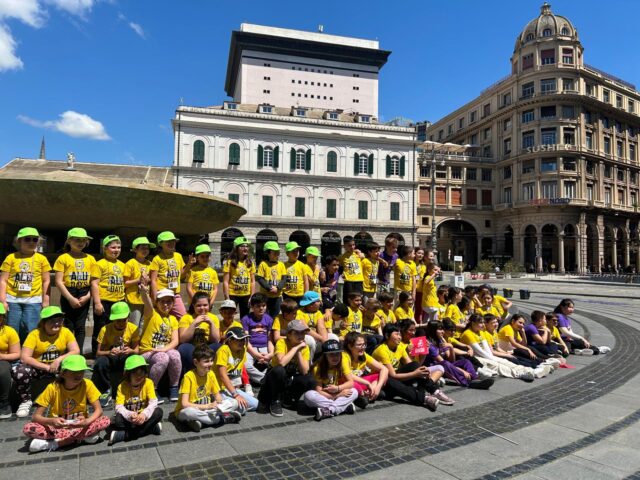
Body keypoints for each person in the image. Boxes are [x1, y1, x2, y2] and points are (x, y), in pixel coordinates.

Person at [22, 355, 110, 453]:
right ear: (63, 373)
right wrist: (52, 421)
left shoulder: (87, 384)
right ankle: (80, 438)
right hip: (57, 428)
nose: (79, 374)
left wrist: (86, 421)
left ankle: (55, 443)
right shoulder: (52, 388)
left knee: (105, 421)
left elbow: (99, 410)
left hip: (80, 426)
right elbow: (35, 417)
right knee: (28, 428)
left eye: (81, 371)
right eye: (74, 372)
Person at [13, 306, 80, 418]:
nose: (57, 323)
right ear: (43, 322)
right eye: (52, 321)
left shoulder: (66, 332)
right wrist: (46, 367)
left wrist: (58, 360)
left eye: (59, 320)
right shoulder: (34, 334)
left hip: (58, 367)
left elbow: (76, 351)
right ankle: (26, 401)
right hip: (38, 369)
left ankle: (72, 396)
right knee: (19, 370)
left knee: (77, 363)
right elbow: (24, 357)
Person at [372, 324, 448, 410]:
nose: (399, 337)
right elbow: (393, 375)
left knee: (416, 365)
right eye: (396, 334)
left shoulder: (399, 346)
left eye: (400, 334)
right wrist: (415, 373)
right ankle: (424, 398)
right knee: (392, 381)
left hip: (397, 377)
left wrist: (422, 367)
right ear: (386, 335)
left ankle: (435, 391)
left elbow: (412, 364)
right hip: (383, 382)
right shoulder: (381, 350)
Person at [0, 227, 51, 342]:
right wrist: (3, 301)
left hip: (33, 301)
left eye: (35, 239)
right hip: (12, 300)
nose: (32, 242)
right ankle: (14, 356)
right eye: (27, 239)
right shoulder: (11, 257)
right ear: (19, 241)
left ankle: (27, 355)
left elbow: (46, 281)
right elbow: (3, 280)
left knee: (30, 329)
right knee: (13, 330)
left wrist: (46, 300)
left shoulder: (42, 259)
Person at [174, 345, 241, 432]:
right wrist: (207, 406)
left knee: (234, 402)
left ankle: (201, 422)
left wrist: (218, 402)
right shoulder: (188, 377)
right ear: (195, 362)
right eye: (206, 361)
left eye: (211, 361)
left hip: (208, 410)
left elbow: (217, 395)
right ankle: (224, 418)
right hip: (188, 410)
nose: (210, 364)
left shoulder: (211, 374)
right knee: (189, 412)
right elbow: (185, 404)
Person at [257, 320, 316, 417]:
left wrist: (298, 352)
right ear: (288, 334)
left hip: (289, 380)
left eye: (303, 333)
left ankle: (289, 400)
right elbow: (282, 362)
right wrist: (295, 348)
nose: (300, 335)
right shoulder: (281, 342)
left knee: (310, 379)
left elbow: (305, 371)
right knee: (279, 370)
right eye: (297, 333)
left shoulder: (304, 347)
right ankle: (275, 400)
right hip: (273, 382)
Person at [458, 314, 538, 381]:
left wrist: (495, 358)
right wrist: (493, 359)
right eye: (480, 323)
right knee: (497, 366)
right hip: (477, 357)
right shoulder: (467, 334)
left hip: (487, 355)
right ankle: (519, 374)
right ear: (473, 323)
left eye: (483, 322)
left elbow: (486, 349)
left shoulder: (480, 332)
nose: (483, 325)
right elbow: (479, 351)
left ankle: (526, 370)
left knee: (503, 361)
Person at [53, 227, 95, 353]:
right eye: (77, 240)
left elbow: (94, 282)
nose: (81, 242)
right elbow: (58, 282)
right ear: (69, 241)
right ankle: (68, 352)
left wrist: (88, 296)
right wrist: (70, 298)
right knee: (68, 325)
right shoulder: (63, 258)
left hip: (84, 292)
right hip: (68, 293)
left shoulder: (91, 259)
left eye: (83, 240)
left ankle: (78, 353)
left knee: (80, 326)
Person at [138, 282, 182, 402]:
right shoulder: (151, 314)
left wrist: (164, 349)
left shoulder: (173, 319)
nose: (166, 304)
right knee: (163, 357)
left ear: (173, 303)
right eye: (162, 301)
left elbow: (175, 340)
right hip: (147, 352)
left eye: (169, 301)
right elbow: (146, 302)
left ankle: (174, 387)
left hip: (162, 350)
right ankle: (152, 389)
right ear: (157, 303)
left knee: (175, 354)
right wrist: (144, 291)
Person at [92, 302, 140, 406]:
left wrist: (130, 350)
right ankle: (106, 390)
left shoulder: (133, 328)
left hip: (125, 357)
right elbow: (98, 353)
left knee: (135, 360)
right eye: (118, 320)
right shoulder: (105, 329)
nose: (122, 323)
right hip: (111, 357)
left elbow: (137, 350)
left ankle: (131, 387)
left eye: (124, 319)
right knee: (100, 363)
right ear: (113, 319)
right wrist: (109, 352)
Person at [109, 355, 163, 445]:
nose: (139, 376)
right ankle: (151, 429)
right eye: (135, 373)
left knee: (159, 412)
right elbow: (118, 407)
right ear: (127, 374)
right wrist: (129, 415)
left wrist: (144, 414)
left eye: (142, 373)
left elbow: (153, 402)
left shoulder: (148, 382)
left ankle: (124, 435)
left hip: (144, 417)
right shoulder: (122, 386)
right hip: (130, 418)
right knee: (117, 420)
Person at [424, 321, 493, 389]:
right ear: (433, 330)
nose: (443, 331)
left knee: (465, 361)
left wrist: (451, 347)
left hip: (446, 366)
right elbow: (442, 362)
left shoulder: (440, 341)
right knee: (445, 363)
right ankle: (468, 382)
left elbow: (451, 360)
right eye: (440, 329)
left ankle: (474, 378)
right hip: (435, 369)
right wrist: (462, 372)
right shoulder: (430, 345)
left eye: (443, 329)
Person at [303, 339, 357, 421]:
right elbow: (319, 391)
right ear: (325, 356)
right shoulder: (318, 367)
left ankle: (329, 410)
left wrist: (338, 388)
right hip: (324, 396)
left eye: (337, 354)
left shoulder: (342, 362)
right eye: (331, 355)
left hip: (338, 392)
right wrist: (337, 396)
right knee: (308, 395)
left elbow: (351, 382)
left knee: (354, 391)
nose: (335, 357)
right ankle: (344, 407)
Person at [90, 235, 126, 355]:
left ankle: (115, 350)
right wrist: (97, 303)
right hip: (105, 301)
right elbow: (94, 284)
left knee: (117, 328)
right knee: (101, 328)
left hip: (120, 301)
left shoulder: (122, 265)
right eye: (113, 247)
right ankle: (97, 352)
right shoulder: (99, 264)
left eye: (119, 247)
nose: (116, 250)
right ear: (105, 248)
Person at [215, 327, 259, 413]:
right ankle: (218, 410)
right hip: (219, 389)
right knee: (239, 405)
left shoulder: (243, 349)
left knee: (255, 404)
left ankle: (226, 410)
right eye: (239, 339)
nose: (242, 342)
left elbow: (239, 370)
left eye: (244, 339)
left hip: (233, 388)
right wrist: (236, 395)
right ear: (230, 340)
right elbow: (223, 375)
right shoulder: (223, 350)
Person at [150, 231, 192, 319]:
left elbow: (181, 276)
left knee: (183, 318)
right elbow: (153, 280)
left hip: (175, 294)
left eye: (173, 241)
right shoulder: (157, 259)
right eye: (168, 241)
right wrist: (154, 298)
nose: (171, 243)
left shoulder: (178, 256)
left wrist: (189, 265)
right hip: (161, 294)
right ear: (161, 244)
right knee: (161, 319)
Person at [177, 292, 221, 376]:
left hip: (207, 346)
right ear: (193, 306)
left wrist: (211, 324)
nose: (202, 308)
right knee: (183, 348)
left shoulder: (214, 318)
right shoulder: (186, 318)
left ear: (209, 305)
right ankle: (193, 375)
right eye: (198, 305)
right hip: (192, 347)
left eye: (205, 305)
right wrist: (194, 323)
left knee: (218, 346)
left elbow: (216, 340)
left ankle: (212, 375)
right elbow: (183, 339)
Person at [343, 331, 388, 409]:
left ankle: (371, 393)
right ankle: (365, 395)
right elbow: (348, 376)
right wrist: (367, 383)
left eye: (364, 345)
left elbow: (384, 369)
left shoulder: (364, 355)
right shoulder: (344, 356)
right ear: (350, 346)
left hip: (361, 382)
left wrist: (377, 387)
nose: (363, 347)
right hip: (347, 382)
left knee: (381, 375)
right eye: (359, 345)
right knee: (353, 385)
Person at [242, 293, 274, 384]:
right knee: (245, 365)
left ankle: (261, 379)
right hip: (251, 348)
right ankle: (264, 380)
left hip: (265, 347)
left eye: (263, 306)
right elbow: (246, 340)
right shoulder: (246, 319)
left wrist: (271, 354)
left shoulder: (269, 319)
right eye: (258, 306)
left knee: (276, 363)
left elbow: (270, 339)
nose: (261, 308)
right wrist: (256, 354)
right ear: (252, 306)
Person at [123, 237, 154, 328]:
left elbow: (153, 280)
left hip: (147, 300)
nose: (145, 250)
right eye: (142, 248)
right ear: (135, 249)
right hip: (134, 300)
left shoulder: (150, 264)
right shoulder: (130, 263)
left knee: (144, 326)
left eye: (147, 248)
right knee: (134, 326)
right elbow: (125, 283)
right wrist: (138, 280)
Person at [222, 236, 255, 319]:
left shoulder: (250, 262)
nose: (245, 248)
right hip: (232, 294)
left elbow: (252, 281)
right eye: (242, 246)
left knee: (245, 317)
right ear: (236, 248)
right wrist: (227, 297)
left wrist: (252, 296)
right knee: (229, 316)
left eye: (247, 246)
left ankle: (243, 331)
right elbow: (225, 281)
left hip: (246, 295)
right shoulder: (229, 262)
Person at [296, 290, 332, 358]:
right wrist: (321, 339)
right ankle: (309, 364)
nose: (320, 303)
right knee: (310, 340)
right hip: (304, 337)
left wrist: (325, 340)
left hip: (318, 338)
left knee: (333, 337)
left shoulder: (318, 313)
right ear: (311, 304)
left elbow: (321, 327)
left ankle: (326, 361)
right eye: (318, 301)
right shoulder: (299, 312)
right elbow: (306, 330)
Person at [256, 241, 286, 318]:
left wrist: (278, 288)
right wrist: (269, 288)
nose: (277, 254)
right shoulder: (263, 264)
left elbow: (284, 279)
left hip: (277, 296)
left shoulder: (281, 264)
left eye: (278, 252)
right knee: (264, 315)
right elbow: (260, 278)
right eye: (274, 252)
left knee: (275, 316)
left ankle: (273, 329)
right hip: (265, 296)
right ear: (268, 253)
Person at [0, 303, 20, 418]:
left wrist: (2, 356)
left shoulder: (10, 331)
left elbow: (17, 354)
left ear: (3, 317)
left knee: (2, 371)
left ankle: (4, 403)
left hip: (3, 360)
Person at [338, 236, 364, 304]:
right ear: (344, 246)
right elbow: (339, 268)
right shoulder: (342, 257)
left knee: (359, 300)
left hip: (359, 280)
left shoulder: (359, 254)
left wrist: (360, 253)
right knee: (349, 300)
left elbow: (363, 257)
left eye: (353, 245)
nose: (352, 247)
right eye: (349, 245)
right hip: (348, 281)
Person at [413, 247, 427, 323]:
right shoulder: (412, 264)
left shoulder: (423, 266)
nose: (420, 255)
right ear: (414, 253)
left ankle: (419, 323)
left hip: (421, 290)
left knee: (419, 309)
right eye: (419, 253)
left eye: (422, 254)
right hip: (412, 289)